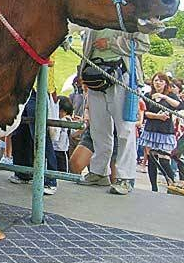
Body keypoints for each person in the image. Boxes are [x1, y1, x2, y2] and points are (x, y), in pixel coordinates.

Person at [78, 29, 149, 195]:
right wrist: (83, 69)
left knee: (125, 129)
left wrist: (111, 44)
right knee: (98, 128)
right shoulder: (93, 13)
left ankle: (126, 177)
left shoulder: (131, 12)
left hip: (121, 73)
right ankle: (99, 171)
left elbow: (142, 44)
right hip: (95, 73)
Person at [138, 73, 180, 192]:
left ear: (166, 83)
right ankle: (154, 187)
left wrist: (164, 97)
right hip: (151, 128)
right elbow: (144, 112)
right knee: (152, 159)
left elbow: (178, 105)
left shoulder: (171, 96)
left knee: (164, 158)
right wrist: (157, 116)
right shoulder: (148, 95)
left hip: (165, 131)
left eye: (161, 81)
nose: (158, 83)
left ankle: (171, 184)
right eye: (156, 80)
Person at [51, 96, 73, 173]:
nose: (62, 113)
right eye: (61, 110)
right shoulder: (52, 119)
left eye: (65, 111)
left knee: (62, 171)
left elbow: (72, 134)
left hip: (62, 151)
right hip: (52, 149)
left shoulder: (67, 120)